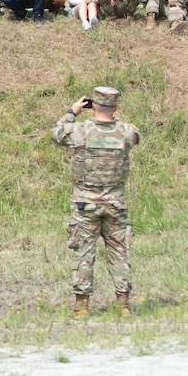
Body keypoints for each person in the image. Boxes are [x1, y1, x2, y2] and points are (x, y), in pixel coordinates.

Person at [51, 86, 140, 317]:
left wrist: (72, 111)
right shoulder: (127, 132)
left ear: (94, 106)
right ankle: (123, 305)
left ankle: (81, 307)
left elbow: (57, 132)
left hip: (85, 204)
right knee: (119, 251)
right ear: (116, 107)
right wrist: (113, 118)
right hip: (115, 203)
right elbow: (132, 135)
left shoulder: (80, 131)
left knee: (84, 252)